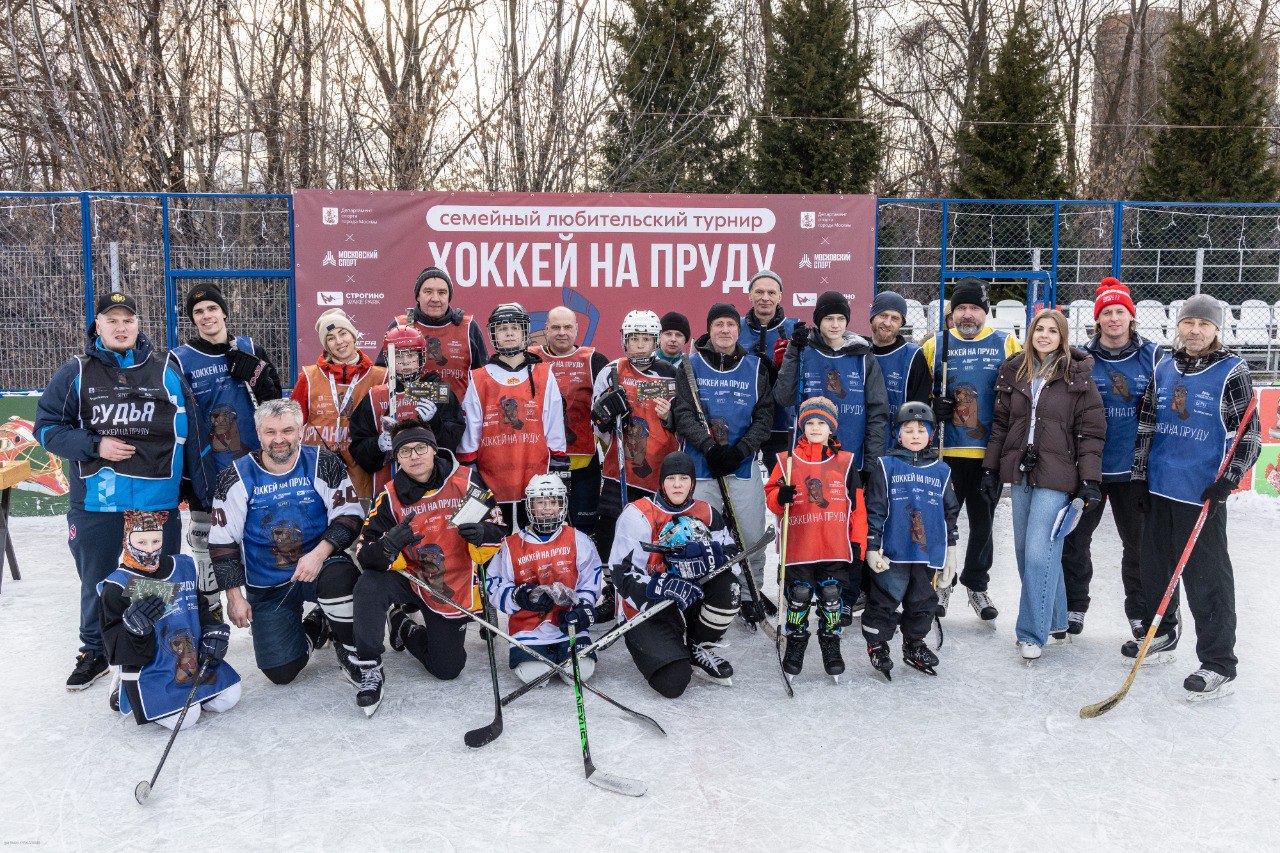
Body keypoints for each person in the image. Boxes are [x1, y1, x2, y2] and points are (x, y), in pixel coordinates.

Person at [37, 291, 217, 691]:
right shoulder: (76, 371)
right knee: (99, 580)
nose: (121, 327)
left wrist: (199, 491)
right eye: (112, 320)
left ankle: (161, 643)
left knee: (157, 581)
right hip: (99, 500)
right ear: (97, 326)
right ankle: (94, 650)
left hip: (157, 500)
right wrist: (95, 445)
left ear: (139, 325)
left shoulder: (166, 366)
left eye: (128, 320)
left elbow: (192, 434)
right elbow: (48, 429)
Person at [1130, 295, 1260, 699]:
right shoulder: (1164, 364)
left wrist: (1229, 480)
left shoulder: (1231, 370)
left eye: (1204, 324)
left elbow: (1249, 435)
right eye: (1189, 322)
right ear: (1179, 326)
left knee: (1207, 580)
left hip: (1201, 493)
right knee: (1153, 569)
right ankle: (1164, 633)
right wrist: (1139, 477)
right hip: (1160, 486)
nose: (1195, 330)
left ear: (1216, 329)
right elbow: (1147, 425)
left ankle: (1219, 662)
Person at [209, 399, 365, 686]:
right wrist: (233, 597)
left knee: (341, 578)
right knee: (280, 672)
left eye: (287, 431)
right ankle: (317, 626)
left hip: (318, 568)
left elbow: (351, 516)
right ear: (258, 434)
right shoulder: (235, 476)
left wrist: (320, 553)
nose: (279, 440)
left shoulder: (323, 461)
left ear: (301, 431)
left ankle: (350, 648)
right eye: (270, 432)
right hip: (268, 582)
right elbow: (222, 543)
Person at [352, 420, 505, 714]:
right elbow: (364, 552)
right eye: (405, 451)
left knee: (447, 668)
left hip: (452, 582)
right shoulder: (389, 496)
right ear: (396, 458)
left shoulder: (466, 480)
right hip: (411, 578)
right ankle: (370, 666)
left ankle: (402, 625)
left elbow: (499, 527)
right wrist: (387, 545)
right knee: (368, 585)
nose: (414, 456)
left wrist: (482, 534)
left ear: (434, 450)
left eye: (421, 447)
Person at [982, 309, 1105, 661]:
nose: (1045, 335)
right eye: (1039, 329)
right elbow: (1002, 426)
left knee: (1040, 552)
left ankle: (1031, 633)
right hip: (1021, 472)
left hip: (1057, 474)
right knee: (1027, 553)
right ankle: (1055, 622)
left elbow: (1091, 433)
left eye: (1053, 330)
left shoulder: (1077, 375)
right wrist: (991, 470)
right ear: (1031, 332)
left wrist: (1089, 480)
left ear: (1062, 336)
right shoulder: (1015, 370)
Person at [773, 290, 890, 621]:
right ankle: (795, 590)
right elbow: (783, 397)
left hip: (850, 459)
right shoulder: (805, 350)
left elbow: (878, 412)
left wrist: (872, 461)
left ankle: (845, 594)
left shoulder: (863, 356)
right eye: (828, 318)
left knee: (848, 528)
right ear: (818, 321)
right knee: (805, 522)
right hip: (809, 458)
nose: (835, 324)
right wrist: (794, 351)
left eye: (841, 318)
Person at [169, 284, 283, 617]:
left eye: (211, 309)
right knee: (206, 542)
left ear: (224, 312)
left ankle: (265, 604)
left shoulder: (249, 347)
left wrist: (259, 374)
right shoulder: (179, 359)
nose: (206, 316)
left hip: (253, 465)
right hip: (206, 467)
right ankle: (210, 609)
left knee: (259, 535)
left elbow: (274, 402)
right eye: (198, 312)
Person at [1063, 279, 1163, 638]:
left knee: (1137, 545)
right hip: (1088, 467)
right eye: (1107, 312)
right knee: (1075, 540)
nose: (1114, 318)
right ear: (1098, 319)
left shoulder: (1153, 356)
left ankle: (1138, 612)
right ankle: (1074, 606)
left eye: (1120, 311)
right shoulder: (1080, 357)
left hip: (1135, 470)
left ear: (1131, 317)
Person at [920, 278, 1021, 623]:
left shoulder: (1005, 342)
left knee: (983, 524)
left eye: (974, 308)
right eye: (961, 308)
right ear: (952, 312)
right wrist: (936, 407)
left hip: (987, 454)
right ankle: (942, 581)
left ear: (984, 312)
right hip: (945, 452)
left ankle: (976, 585)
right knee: (942, 523)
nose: (967, 314)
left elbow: (1020, 399)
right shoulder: (936, 344)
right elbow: (918, 399)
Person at [673, 302, 774, 623]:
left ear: (737, 329)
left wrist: (740, 450)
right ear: (710, 328)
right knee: (699, 536)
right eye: (719, 325)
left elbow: (764, 416)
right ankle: (702, 590)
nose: (725, 330)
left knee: (749, 533)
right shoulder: (689, 366)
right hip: (702, 468)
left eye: (731, 324)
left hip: (741, 467)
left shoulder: (756, 367)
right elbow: (683, 413)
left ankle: (749, 593)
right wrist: (709, 448)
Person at [609, 452, 739, 696]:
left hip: (690, 600)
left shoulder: (708, 513)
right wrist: (660, 588)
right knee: (673, 682)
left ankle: (698, 645)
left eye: (683, 478)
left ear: (692, 482)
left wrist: (710, 557)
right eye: (671, 478)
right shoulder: (638, 514)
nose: (677, 485)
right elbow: (620, 572)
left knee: (728, 587)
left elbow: (732, 556)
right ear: (661, 482)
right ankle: (664, 646)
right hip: (648, 608)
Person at [98, 510, 240, 729]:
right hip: (152, 667)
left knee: (229, 697)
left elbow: (199, 606)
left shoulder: (183, 566)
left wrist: (213, 629)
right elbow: (113, 647)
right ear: (127, 539)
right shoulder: (116, 586)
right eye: (141, 541)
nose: (149, 548)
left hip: (191, 659)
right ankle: (124, 689)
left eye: (156, 540)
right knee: (186, 719)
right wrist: (134, 631)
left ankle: (192, 696)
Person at [764, 397, 868, 680]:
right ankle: (796, 643)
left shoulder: (845, 462)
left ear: (831, 427)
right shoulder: (787, 460)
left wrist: (858, 542)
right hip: (800, 546)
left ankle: (830, 645)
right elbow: (771, 497)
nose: (815, 428)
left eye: (821, 423)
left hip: (834, 546)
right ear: (802, 426)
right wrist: (779, 495)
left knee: (832, 598)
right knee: (798, 596)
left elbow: (857, 507)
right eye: (809, 423)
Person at [862, 402, 959, 679]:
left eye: (921, 430)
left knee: (923, 601)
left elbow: (950, 514)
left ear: (931, 435)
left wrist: (950, 552)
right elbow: (876, 508)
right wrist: (871, 547)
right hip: (893, 551)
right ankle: (878, 644)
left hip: (928, 554)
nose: (915, 435)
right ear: (898, 435)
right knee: (885, 600)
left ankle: (914, 643)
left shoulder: (942, 471)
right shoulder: (886, 465)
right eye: (908, 430)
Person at [459, 302, 568, 530]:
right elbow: (470, 438)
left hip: (537, 484)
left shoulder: (544, 374)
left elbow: (555, 431)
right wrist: (474, 481)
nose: (509, 333)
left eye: (515, 328)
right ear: (493, 335)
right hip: (492, 483)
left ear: (525, 333)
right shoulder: (479, 378)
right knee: (494, 551)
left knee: (533, 551)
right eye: (502, 328)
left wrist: (557, 474)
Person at [487, 475, 605, 684]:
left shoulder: (579, 540)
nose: (547, 508)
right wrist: (518, 596)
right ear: (530, 506)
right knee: (537, 676)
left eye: (553, 502)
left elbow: (590, 580)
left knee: (580, 673)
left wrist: (584, 608)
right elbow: (494, 584)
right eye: (541, 502)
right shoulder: (510, 545)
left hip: (568, 626)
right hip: (528, 627)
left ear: (562, 505)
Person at [590, 310, 681, 563]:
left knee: (652, 529)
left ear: (655, 341)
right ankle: (612, 586)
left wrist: (670, 418)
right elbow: (596, 423)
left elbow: (685, 423)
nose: (639, 345)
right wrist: (606, 418)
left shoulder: (672, 374)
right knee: (611, 528)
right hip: (618, 469)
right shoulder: (611, 371)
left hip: (658, 469)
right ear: (624, 341)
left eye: (646, 339)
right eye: (633, 339)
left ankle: (649, 579)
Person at [348, 324, 465, 499]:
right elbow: (358, 447)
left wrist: (435, 422)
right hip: (388, 489)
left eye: (411, 355)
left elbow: (452, 442)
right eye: (399, 357)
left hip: (435, 490)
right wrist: (377, 445)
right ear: (389, 360)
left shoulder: (438, 391)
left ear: (421, 357)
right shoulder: (375, 396)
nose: (405, 363)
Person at [292, 308, 387, 500]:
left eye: (343, 333)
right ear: (326, 345)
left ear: (353, 336)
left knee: (361, 524)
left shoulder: (380, 376)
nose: (339, 342)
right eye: (331, 338)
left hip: (362, 469)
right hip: (317, 469)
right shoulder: (309, 377)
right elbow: (292, 425)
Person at [534, 305, 611, 535]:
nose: (561, 332)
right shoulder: (531, 357)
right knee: (542, 523)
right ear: (546, 329)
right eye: (555, 327)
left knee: (584, 526)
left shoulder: (594, 359)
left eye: (568, 327)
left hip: (583, 460)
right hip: (542, 459)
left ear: (577, 329)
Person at [380, 266, 488, 401]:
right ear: (418, 296)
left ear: (449, 297)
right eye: (428, 291)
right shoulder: (401, 325)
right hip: (410, 416)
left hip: (459, 419)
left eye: (442, 292)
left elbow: (483, 380)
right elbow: (382, 378)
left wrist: (448, 404)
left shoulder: (468, 327)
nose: (435, 298)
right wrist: (435, 393)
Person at [738, 270, 798, 471]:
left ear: (780, 297)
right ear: (750, 295)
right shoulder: (733, 327)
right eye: (759, 292)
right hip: (743, 424)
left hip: (782, 422)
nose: (765, 298)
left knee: (782, 488)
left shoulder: (794, 328)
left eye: (771, 293)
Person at [867, 291, 931, 453]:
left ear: (902, 323)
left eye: (895, 318)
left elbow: (920, 409)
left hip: (896, 448)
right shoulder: (858, 351)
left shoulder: (912, 356)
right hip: (861, 442)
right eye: (883, 315)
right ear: (872, 317)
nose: (888, 323)